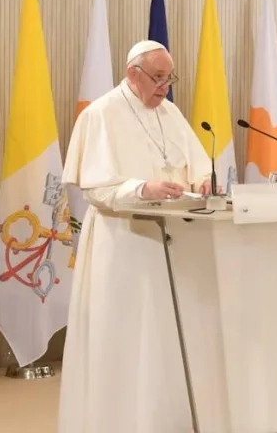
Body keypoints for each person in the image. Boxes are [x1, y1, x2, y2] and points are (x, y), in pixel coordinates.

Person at [58, 40, 213, 432]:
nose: (165, 87)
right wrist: (143, 189)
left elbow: (195, 162)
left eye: (169, 78)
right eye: (158, 78)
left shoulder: (171, 112)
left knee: (166, 338)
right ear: (133, 73)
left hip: (172, 242)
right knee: (126, 337)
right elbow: (95, 189)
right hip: (122, 241)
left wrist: (203, 179)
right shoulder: (101, 114)